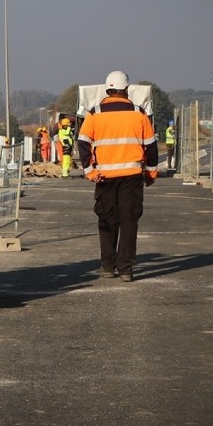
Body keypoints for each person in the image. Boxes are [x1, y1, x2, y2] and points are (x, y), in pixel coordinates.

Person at [77, 70, 158, 282]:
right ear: (126, 90)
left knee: (107, 221)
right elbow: (150, 147)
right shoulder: (139, 113)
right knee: (129, 222)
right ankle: (125, 269)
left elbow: (83, 143)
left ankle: (107, 266)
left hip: (104, 177)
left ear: (108, 90)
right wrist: (150, 173)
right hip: (131, 177)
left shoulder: (95, 114)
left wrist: (89, 172)